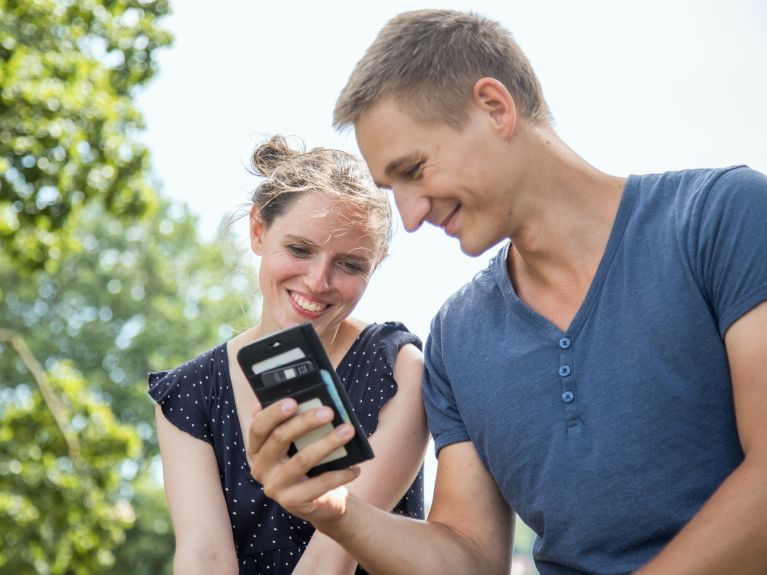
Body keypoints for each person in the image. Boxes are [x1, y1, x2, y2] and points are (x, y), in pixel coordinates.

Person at [244, 9, 767, 575]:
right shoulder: (457, 335)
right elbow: (470, 558)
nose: (411, 215)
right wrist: (336, 510)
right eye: (393, 188)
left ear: (495, 107)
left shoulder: (721, 217)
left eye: (415, 169)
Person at [149, 135, 429, 574]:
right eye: (299, 249)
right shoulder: (188, 394)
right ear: (258, 231)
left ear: (376, 265)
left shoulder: (397, 369)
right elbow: (204, 558)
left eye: (351, 265)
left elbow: (330, 559)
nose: (318, 282)